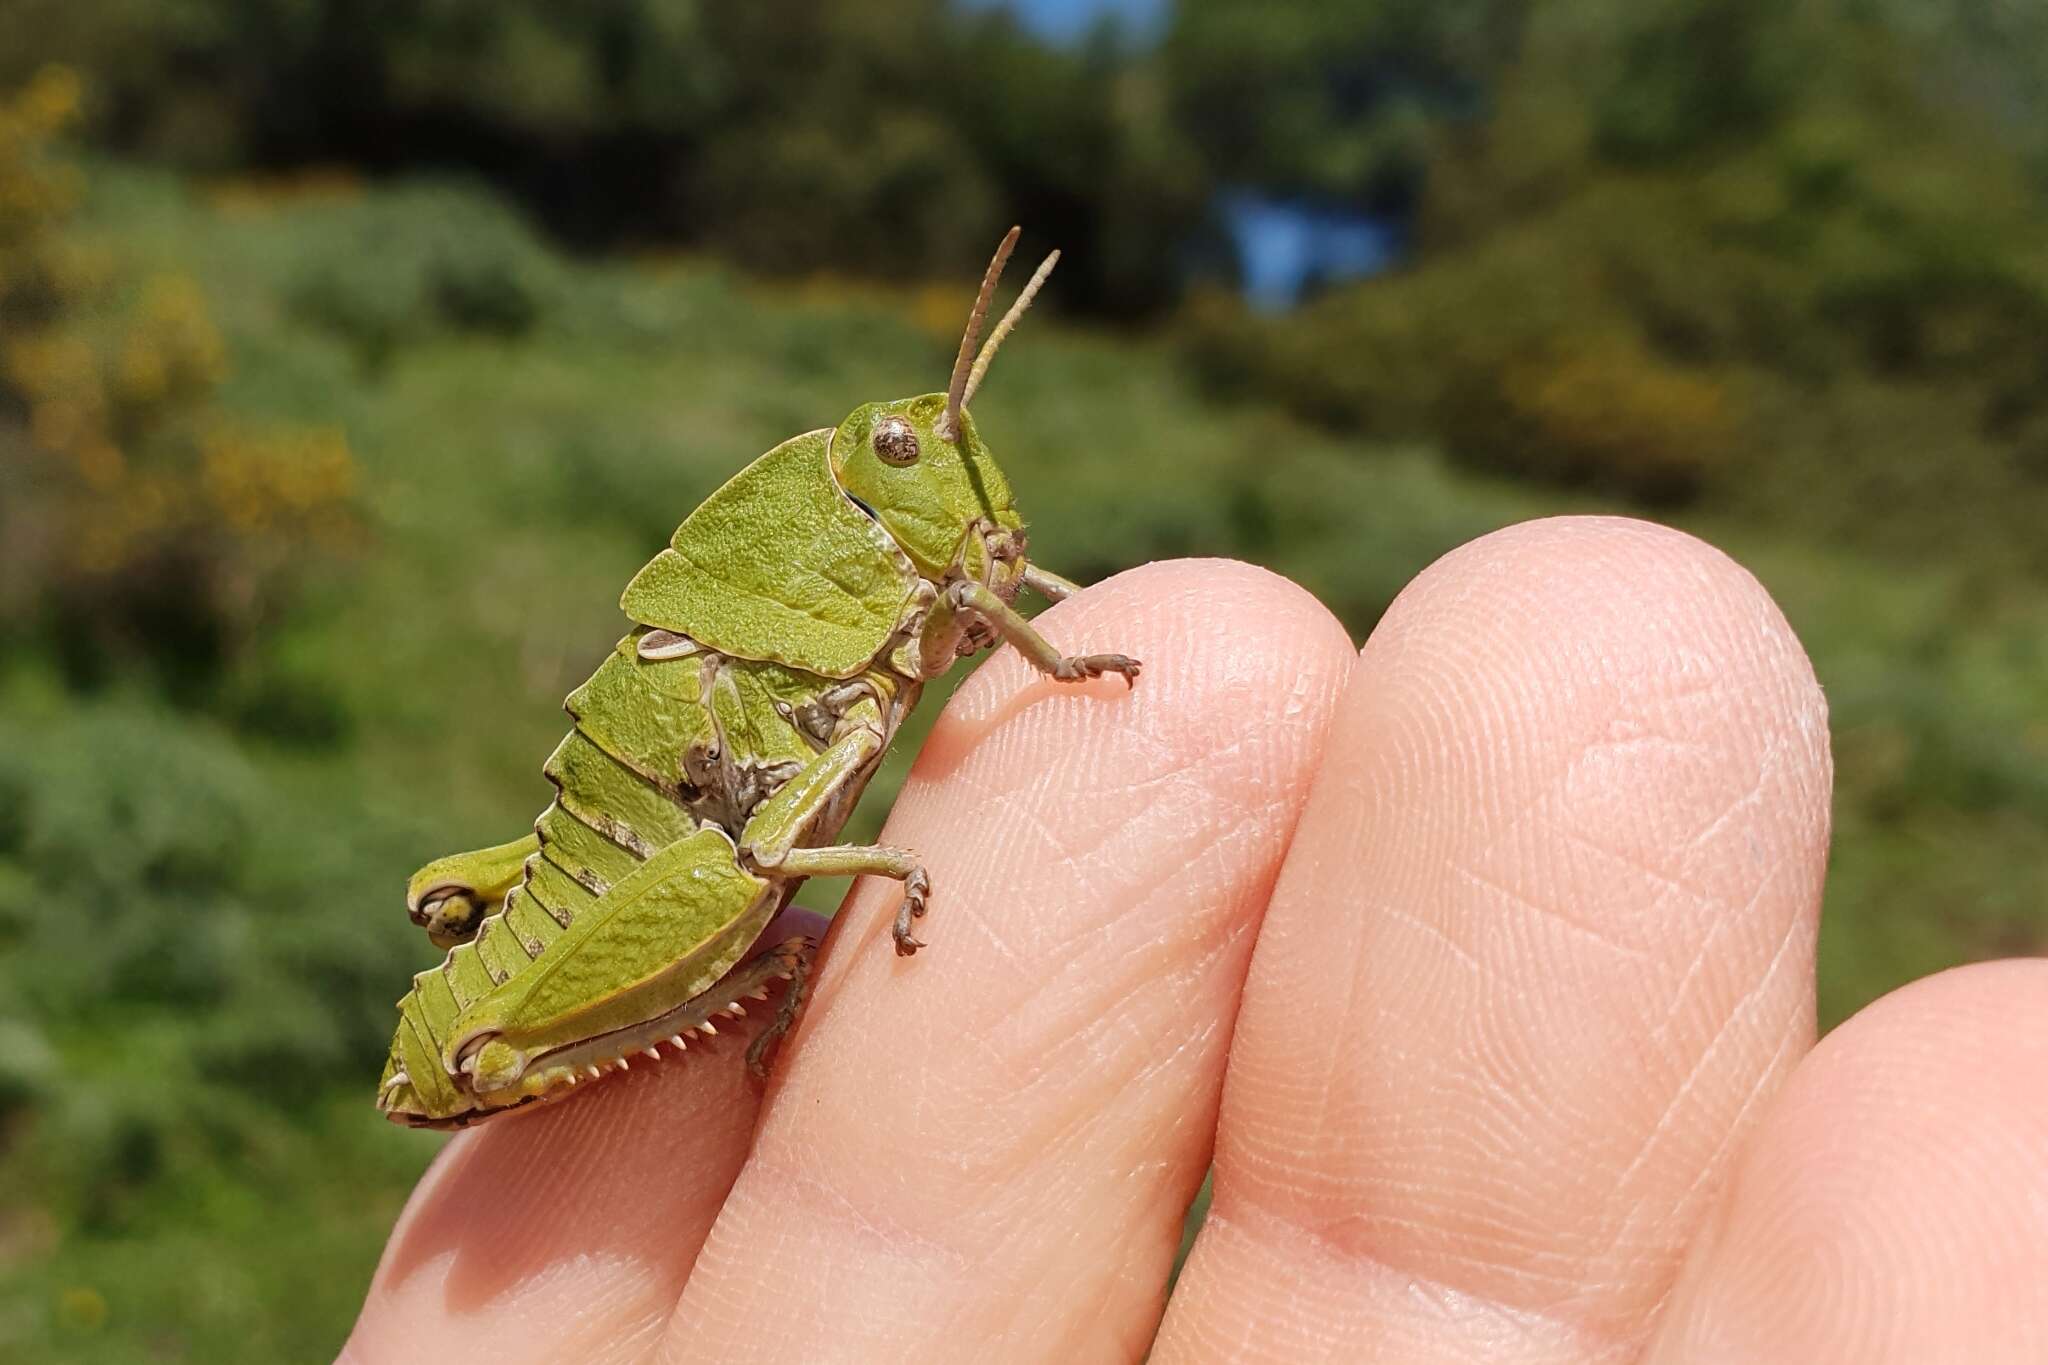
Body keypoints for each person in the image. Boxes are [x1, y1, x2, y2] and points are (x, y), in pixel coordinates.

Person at [342, 519, 2048, 1363]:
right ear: (799, 535)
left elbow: (958, 617)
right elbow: (765, 832)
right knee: (750, 862)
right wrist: (815, 911)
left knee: (769, 866)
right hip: (638, 892)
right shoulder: (739, 640)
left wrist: (1050, 657)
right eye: (905, 465)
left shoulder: (856, 602)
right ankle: (670, 992)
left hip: (707, 858)